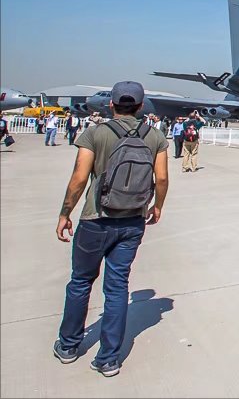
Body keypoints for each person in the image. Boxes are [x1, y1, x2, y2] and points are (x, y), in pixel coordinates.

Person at [52, 81, 169, 377]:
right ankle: (108, 359)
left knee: (80, 282)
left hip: (95, 219)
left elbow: (79, 178)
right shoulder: (155, 136)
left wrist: (66, 212)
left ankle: (68, 346)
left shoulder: (95, 132)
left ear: (112, 104)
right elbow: (163, 178)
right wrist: (157, 207)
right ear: (141, 106)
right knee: (117, 288)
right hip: (132, 222)